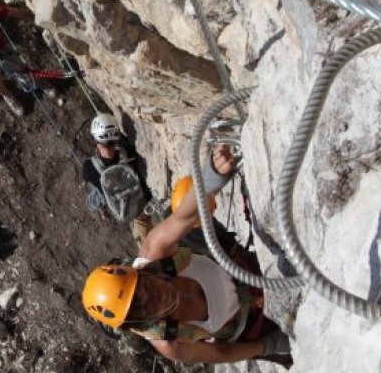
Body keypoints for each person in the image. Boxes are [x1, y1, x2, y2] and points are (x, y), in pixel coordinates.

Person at [82, 145, 292, 365]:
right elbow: (221, 353)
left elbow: (183, 216)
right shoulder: (169, 341)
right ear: (139, 323)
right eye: (142, 308)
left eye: (143, 287)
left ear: (142, 273)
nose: (156, 297)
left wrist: (211, 177)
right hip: (248, 324)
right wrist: (271, 345)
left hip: (237, 266)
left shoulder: (153, 252)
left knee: (183, 197)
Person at [82, 113, 153, 244]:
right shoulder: (129, 151)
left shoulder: (89, 168)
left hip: (122, 207)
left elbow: (91, 180)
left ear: (96, 140)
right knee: (142, 224)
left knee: (98, 190)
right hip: (141, 202)